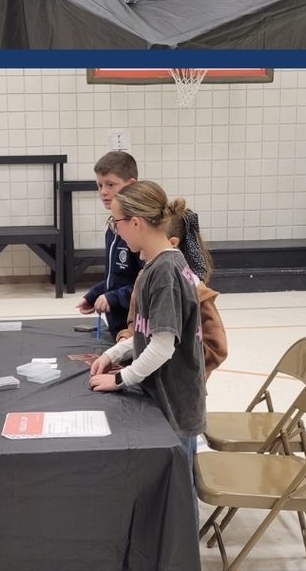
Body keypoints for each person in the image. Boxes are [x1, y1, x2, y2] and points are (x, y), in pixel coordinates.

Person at [88, 181, 207, 501]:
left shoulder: (166, 272)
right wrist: (114, 353)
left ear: (136, 223)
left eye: (117, 223)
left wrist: (119, 379)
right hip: (170, 396)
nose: (116, 231)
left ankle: (182, 551)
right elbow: (147, 332)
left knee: (178, 490)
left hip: (175, 402)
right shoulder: (160, 264)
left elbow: (162, 346)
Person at [116, 208, 227, 378]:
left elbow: (216, 348)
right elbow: (137, 326)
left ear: (172, 243)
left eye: (144, 249)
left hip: (179, 386)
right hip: (150, 377)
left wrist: (173, 363)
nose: (141, 257)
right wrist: (125, 342)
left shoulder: (195, 290)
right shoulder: (143, 277)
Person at [75, 151, 143, 338]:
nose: (103, 192)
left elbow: (147, 286)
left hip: (136, 329)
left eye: (111, 185)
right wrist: (95, 294)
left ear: (130, 186)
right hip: (116, 326)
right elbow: (116, 277)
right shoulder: (113, 228)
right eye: (99, 185)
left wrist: (113, 298)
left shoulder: (139, 231)